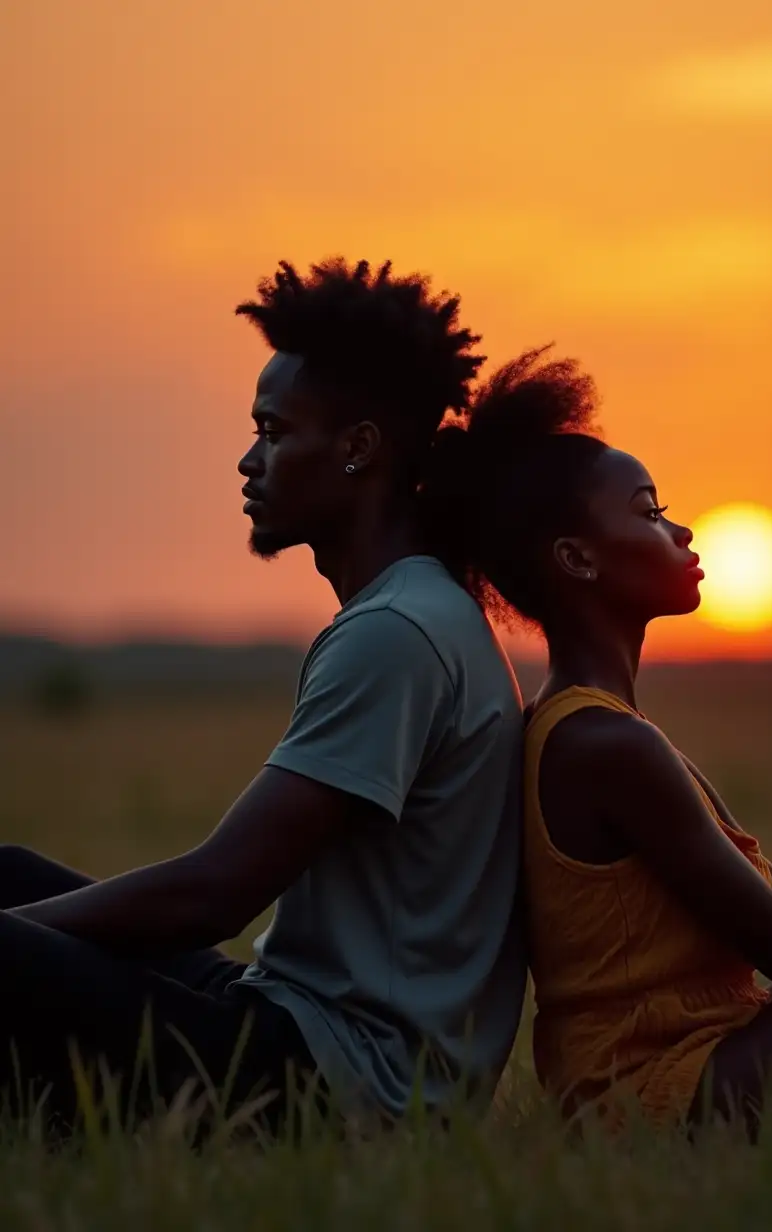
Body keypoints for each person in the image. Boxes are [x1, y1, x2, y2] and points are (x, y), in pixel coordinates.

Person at [1, 258, 527, 1134]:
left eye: (274, 432)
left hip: (343, 1085)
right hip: (300, 1019)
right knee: (10, 869)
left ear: (358, 448)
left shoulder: (396, 633)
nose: (250, 460)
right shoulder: (413, 611)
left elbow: (212, 895)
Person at [420, 346, 772, 1132]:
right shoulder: (603, 748)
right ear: (577, 558)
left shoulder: (621, 734)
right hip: (666, 1101)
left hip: (707, 1064)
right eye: (650, 511)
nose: (683, 529)